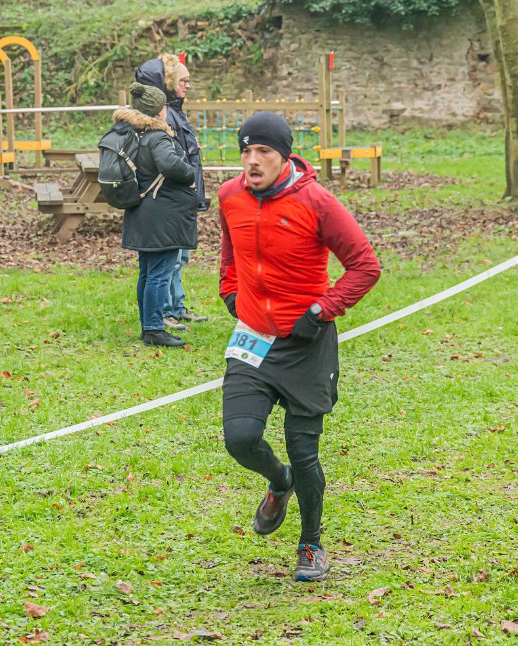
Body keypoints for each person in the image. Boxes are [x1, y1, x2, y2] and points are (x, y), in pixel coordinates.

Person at [217, 112, 380, 582]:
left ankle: (311, 543)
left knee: (303, 449)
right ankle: (278, 479)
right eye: (246, 151)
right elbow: (230, 254)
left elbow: (365, 266)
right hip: (253, 338)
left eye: (263, 151)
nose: (252, 161)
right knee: (240, 438)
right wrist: (230, 292)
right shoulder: (229, 197)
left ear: (284, 156)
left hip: (307, 344)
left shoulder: (316, 201)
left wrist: (321, 311)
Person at [117, 82, 198, 348]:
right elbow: (168, 163)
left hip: (142, 211)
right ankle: (153, 328)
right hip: (161, 213)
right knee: (159, 273)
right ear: (159, 110)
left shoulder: (133, 133)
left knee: (148, 272)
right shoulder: (158, 136)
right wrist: (190, 174)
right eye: (164, 105)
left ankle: (148, 325)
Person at [135, 53, 208, 332]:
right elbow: (172, 160)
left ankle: (176, 306)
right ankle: (165, 311)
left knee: (179, 258)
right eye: (182, 81)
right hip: (171, 199)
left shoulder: (175, 112)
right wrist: (188, 181)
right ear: (167, 83)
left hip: (183, 198)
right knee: (169, 260)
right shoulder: (165, 117)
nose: (187, 85)